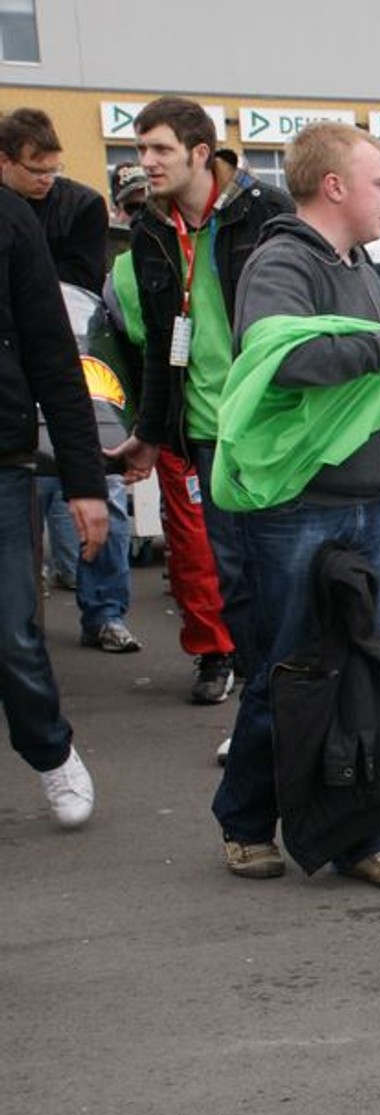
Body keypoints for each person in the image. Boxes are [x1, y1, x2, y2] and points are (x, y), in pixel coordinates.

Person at [212, 122, 380, 888]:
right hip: (300, 508)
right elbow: (285, 359)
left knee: (360, 672)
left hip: (365, 503)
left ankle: (360, 835)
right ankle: (246, 821)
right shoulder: (282, 260)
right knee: (292, 672)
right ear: (334, 186)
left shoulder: (355, 261)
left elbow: (356, 395)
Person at [106, 98, 299, 692]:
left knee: (285, 579)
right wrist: (149, 432)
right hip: (206, 434)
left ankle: (288, 710)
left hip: (271, 426)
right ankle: (257, 707)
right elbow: (165, 343)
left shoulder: (267, 210)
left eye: (159, 149)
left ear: (199, 153)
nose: (146, 163)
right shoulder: (148, 230)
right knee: (232, 582)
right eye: (140, 150)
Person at [1, 179, 108, 829]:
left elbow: (53, 355)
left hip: (5, 460)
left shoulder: (11, 219)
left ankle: (51, 751)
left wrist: (85, 483)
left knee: (11, 630)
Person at [0, 107, 107, 291]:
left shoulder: (83, 206)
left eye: (53, 170)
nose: (47, 179)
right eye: (36, 171)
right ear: (4, 161)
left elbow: (86, 277)